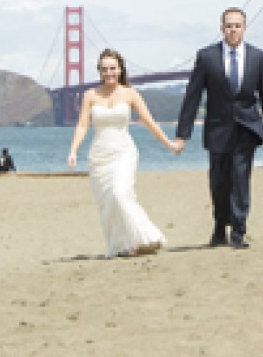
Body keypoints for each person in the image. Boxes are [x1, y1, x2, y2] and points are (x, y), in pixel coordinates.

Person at [173, 7, 263, 249]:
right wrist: (182, 134)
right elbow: (192, 96)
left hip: (247, 128)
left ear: (244, 28)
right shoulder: (206, 56)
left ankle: (239, 233)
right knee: (219, 183)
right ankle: (220, 228)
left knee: (241, 180)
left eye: (237, 25)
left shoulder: (258, 57)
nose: (233, 30)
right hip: (217, 128)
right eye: (228, 26)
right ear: (222, 29)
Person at [67, 48, 180, 258]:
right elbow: (82, 125)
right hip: (99, 156)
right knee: (108, 203)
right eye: (104, 69)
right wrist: (73, 150)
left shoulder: (130, 94)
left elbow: (149, 122)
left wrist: (169, 144)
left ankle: (147, 237)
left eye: (113, 68)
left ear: (120, 70)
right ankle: (124, 246)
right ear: (99, 71)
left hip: (123, 152)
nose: (109, 72)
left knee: (120, 193)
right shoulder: (90, 95)